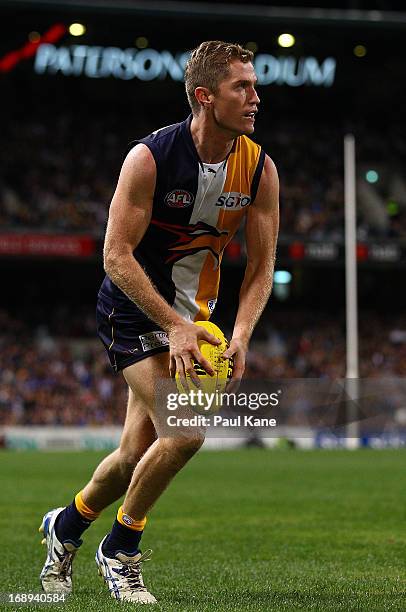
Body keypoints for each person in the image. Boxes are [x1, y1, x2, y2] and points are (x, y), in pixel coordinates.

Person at [39, 40, 279, 604]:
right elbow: (116, 256)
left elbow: (262, 269)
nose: (255, 98)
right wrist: (171, 325)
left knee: (130, 458)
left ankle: (65, 528)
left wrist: (240, 335)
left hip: (198, 321)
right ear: (204, 96)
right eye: (240, 87)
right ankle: (120, 548)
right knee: (186, 430)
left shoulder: (261, 169)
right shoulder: (149, 158)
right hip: (133, 309)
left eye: (254, 85)